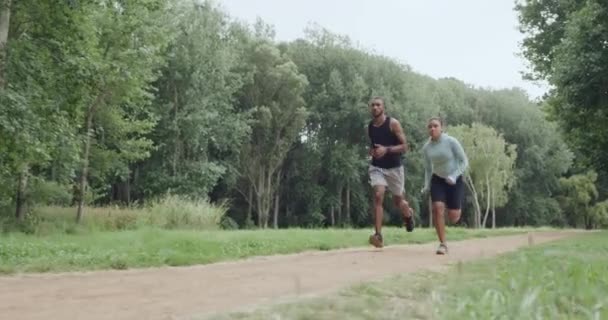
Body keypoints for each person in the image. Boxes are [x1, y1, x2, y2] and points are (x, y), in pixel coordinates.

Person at [366, 97, 414, 248]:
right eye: (372, 105)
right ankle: (378, 235)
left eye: (378, 105)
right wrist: (373, 152)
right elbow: (374, 147)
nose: (375, 107)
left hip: (394, 168)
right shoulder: (370, 126)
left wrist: (386, 149)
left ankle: (408, 215)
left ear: (383, 108)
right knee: (379, 195)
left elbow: (405, 146)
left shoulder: (393, 123)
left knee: (398, 202)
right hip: (377, 167)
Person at [421, 117, 469, 255]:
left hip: (455, 179)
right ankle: (443, 244)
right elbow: (428, 169)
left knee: (454, 217)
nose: (432, 128)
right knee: (437, 208)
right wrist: (426, 185)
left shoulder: (451, 142)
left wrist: (454, 176)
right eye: (430, 126)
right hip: (438, 180)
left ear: (442, 127)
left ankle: (451, 207)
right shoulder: (426, 148)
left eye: (435, 126)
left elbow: (464, 161)